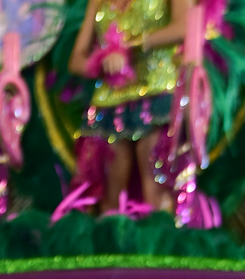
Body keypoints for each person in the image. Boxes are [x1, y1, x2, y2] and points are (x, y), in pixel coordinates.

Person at [69, 0, 189, 213]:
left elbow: (184, 27)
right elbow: (76, 59)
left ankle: (158, 243)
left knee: (155, 191)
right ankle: (111, 244)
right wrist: (101, 62)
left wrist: (129, 46)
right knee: (108, 200)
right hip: (109, 103)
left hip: (155, 94)